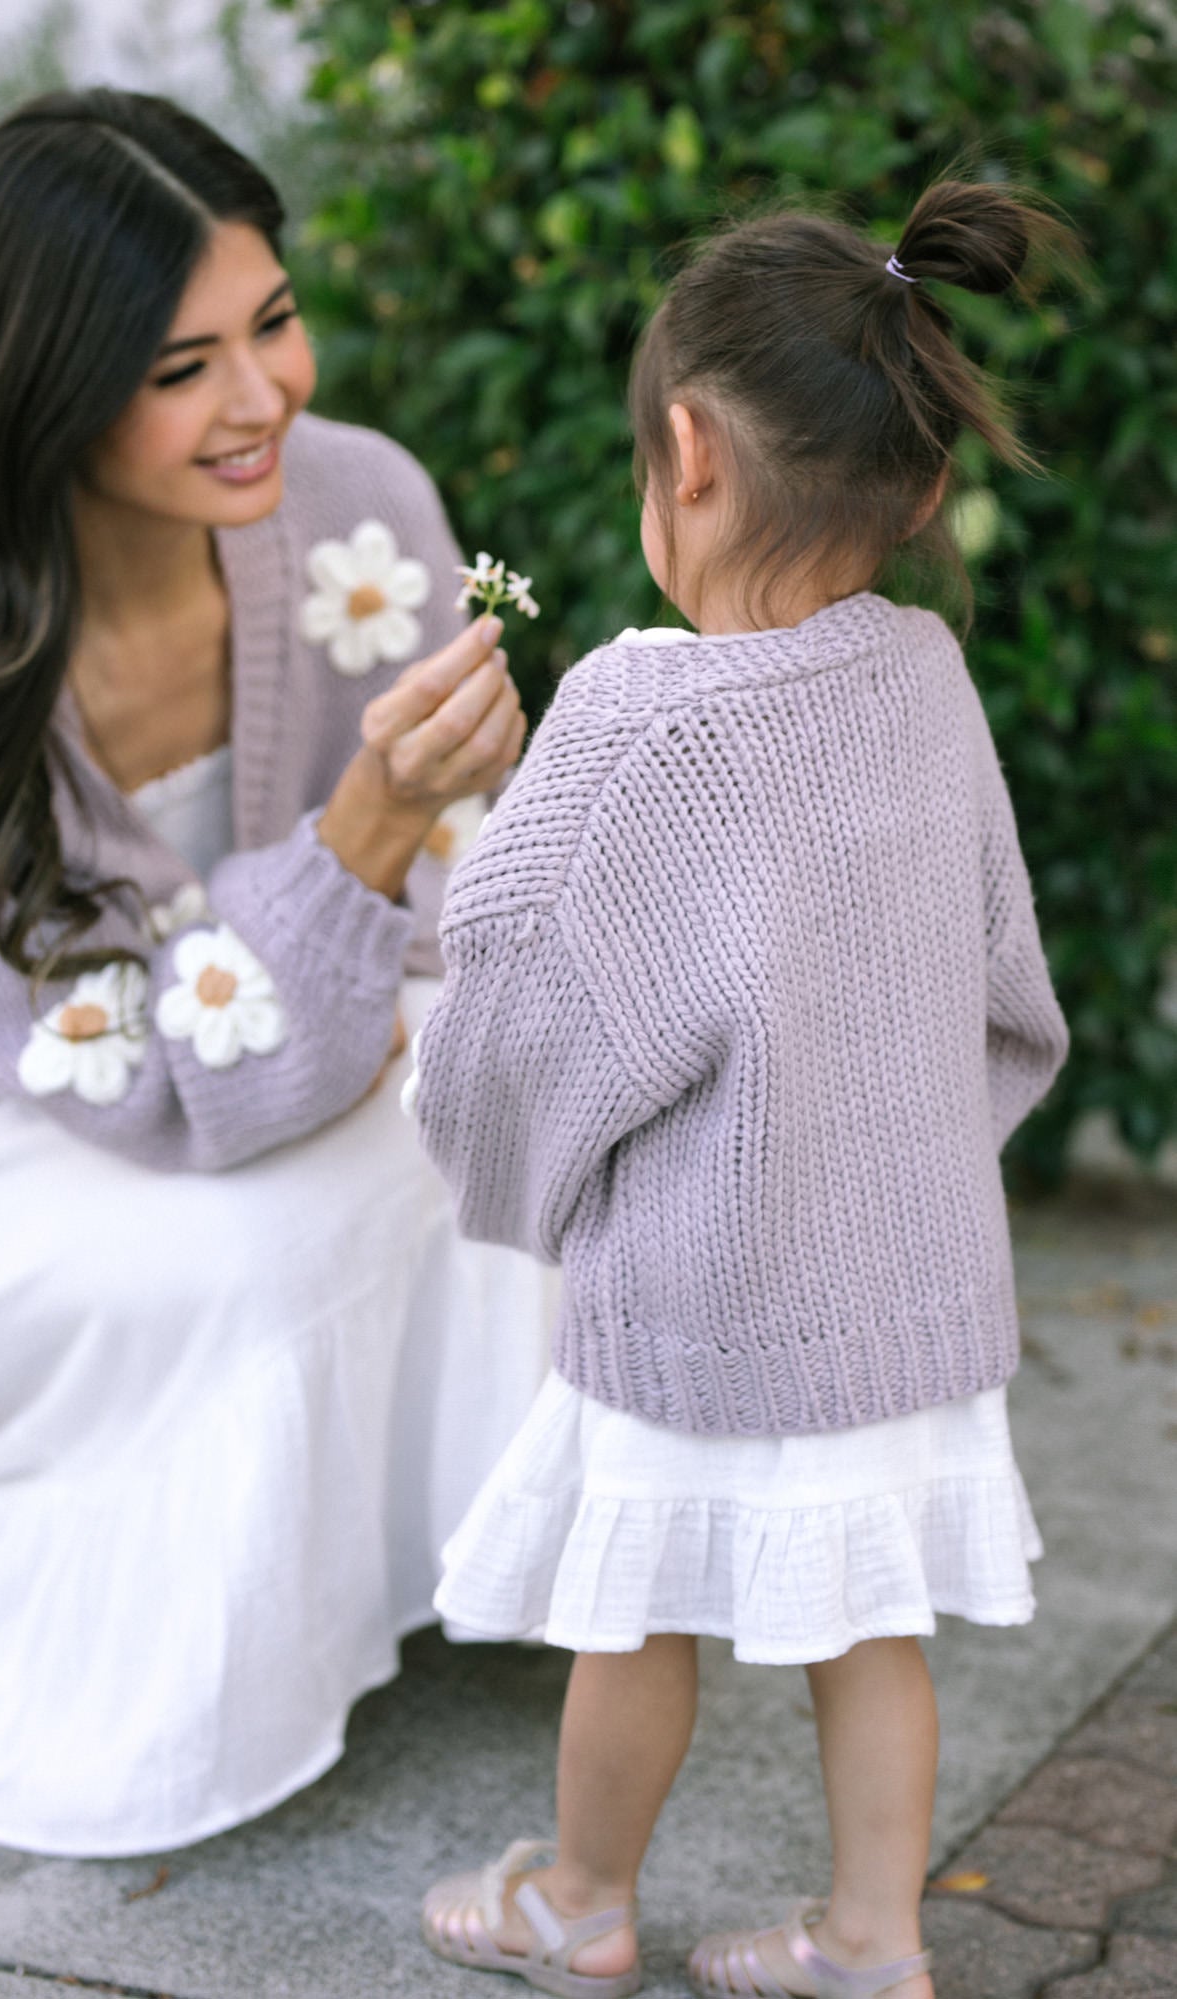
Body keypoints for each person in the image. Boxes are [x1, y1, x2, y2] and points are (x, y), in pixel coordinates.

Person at [0, 89, 550, 1857]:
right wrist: (368, 835)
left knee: (518, 1093)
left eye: (275, 323)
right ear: (46, 383)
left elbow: (469, 910)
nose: (262, 402)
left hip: (291, 1037)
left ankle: (427, 1553)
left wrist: (411, 886)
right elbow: (158, 1091)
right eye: (180, 369)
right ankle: (56, 1627)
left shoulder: (360, 504)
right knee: (262, 1241)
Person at [410, 181, 1073, 1999]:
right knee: (870, 1627)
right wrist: (911, 1170)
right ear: (924, 485)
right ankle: (871, 1938)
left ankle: (580, 1897)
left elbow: (520, 1010)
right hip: (898, 1291)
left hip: (698, 1287)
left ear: (681, 455)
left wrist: (496, 1171)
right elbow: (1003, 993)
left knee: (633, 1618)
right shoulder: (927, 681)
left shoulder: (639, 720)